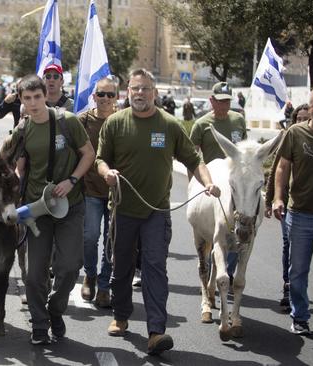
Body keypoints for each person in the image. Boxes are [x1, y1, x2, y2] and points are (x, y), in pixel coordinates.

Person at [96, 68, 220, 355]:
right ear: (128, 92)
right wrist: (107, 172)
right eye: (135, 89)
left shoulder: (169, 125)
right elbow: (100, 159)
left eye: (145, 89)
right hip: (124, 210)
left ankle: (156, 331)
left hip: (156, 212)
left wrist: (209, 182)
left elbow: (193, 159)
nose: (140, 94)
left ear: (155, 92)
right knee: (122, 267)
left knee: (154, 269)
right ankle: (122, 315)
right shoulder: (115, 123)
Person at [10, 74, 95, 345]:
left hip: (71, 205)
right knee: (34, 273)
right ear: (21, 101)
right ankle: (38, 323)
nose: (33, 103)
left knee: (69, 266)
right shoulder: (22, 130)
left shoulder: (66, 121)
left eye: (37, 97)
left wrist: (71, 181)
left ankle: (55, 310)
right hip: (37, 208)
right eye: (27, 98)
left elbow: (88, 154)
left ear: (45, 95)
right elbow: (16, 166)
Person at [272, 87, 313, 341]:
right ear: (309, 108)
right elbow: (282, 168)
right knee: (298, 270)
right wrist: (277, 197)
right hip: (299, 215)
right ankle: (300, 317)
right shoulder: (295, 133)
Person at [190, 81, 247, 283]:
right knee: (211, 235)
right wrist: (194, 188)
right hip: (211, 185)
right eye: (220, 101)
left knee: (235, 231)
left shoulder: (238, 120)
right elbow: (192, 158)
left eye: (227, 101)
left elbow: (244, 152)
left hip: (233, 186)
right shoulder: (201, 124)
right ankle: (213, 266)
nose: (224, 105)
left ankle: (224, 271)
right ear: (212, 100)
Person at [78, 77, 118, 308]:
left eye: (110, 95)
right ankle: (90, 275)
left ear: (116, 98)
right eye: (101, 94)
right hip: (90, 190)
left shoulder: (122, 120)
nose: (105, 99)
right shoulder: (83, 121)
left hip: (116, 193)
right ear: (94, 96)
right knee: (90, 237)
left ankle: (104, 286)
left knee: (111, 242)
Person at [264, 103, 309, 309]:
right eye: (298, 118)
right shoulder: (288, 138)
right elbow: (276, 171)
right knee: (288, 245)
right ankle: (288, 287)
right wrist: (271, 200)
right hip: (291, 206)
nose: (301, 122)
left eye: (304, 118)